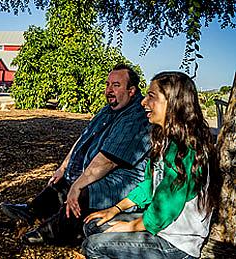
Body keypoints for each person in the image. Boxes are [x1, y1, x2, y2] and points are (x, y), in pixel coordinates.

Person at [1, 64, 152, 245]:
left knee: (85, 190)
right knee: (63, 180)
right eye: (107, 84)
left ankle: (52, 233)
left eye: (116, 85)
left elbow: (108, 161)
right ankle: (31, 211)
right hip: (100, 169)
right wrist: (63, 167)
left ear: (132, 90)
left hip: (123, 180)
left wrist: (78, 184)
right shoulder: (108, 109)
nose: (109, 90)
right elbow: (84, 138)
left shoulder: (136, 117)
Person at [82, 71, 221, 258]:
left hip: (176, 241)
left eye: (151, 96)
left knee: (93, 246)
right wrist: (115, 210)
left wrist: (131, 226)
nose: (143, 102)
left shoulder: (187, 148)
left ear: (173, 102)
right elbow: (148, 185)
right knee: (93, 225)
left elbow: (166, 208)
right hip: (159, 225)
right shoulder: (163, 139)